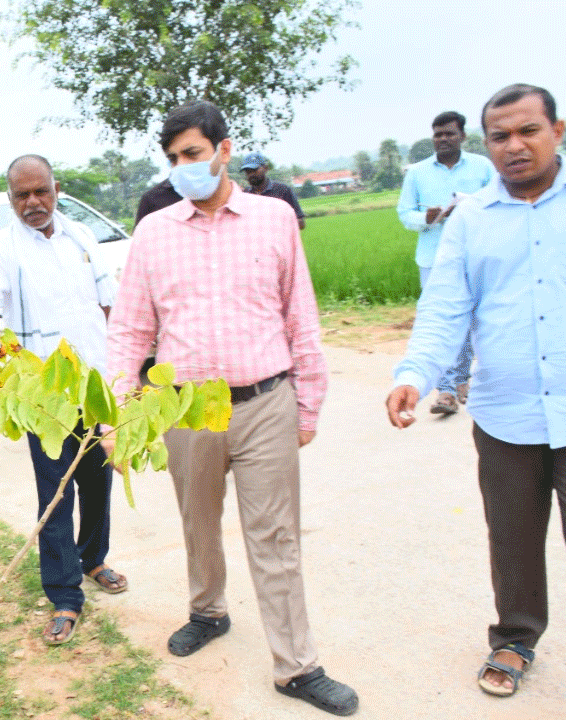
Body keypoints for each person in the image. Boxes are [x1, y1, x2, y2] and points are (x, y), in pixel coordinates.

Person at [386, 84, 566, 720]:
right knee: (514, 540)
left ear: (555, 129)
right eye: (500, 136)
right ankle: (516, 639)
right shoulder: (472, 216)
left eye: (528, 131)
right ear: (486, 144)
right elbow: (446, 308)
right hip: (507, 416)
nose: (515, 146)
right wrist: (415, 372)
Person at [107, 100, 358, 716]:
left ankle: (296, 666)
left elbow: (301, 316)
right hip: (187, 411)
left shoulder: (273, 219)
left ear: (224, 149)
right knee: (198, 523)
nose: (182, 168)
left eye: (192, 154)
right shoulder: (154, 233)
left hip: (265, 400)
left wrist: (308, 405)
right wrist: (121, 409)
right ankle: (208, 611)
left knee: (275, 536)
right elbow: (131, 331)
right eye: (172, 160)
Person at [0, 154, 126, 646]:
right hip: (43, 399)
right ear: (10, 198)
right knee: (56, 494)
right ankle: (64, 595)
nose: (32, 203)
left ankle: (94, 559)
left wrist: (126, 375)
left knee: (98, 483)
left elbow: (110, 306)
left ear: (55, 188)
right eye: (21, 195)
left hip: (96, 390)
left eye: (40, 191)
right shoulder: (1, 250)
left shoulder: (82, 237)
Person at [395, 111, 496, 415]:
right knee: (444, 319)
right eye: (437, 134)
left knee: (480, 320)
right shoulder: (418, 173)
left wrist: (470, 210)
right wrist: (424, 218)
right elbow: (404, 213)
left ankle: (469, 380)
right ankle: (448, 390)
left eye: (449, 133)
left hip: (479, 254)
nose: (442, 139)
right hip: (434, 257)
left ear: (462, 136)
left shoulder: (483, 167)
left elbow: (500, 203)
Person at [240, 151, 306, 229]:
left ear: (265, 168)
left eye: (254, 170)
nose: (251, 174)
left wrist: (275, 223)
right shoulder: (244, 195)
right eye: (248, 171)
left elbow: (301, 223)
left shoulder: (283, 190)